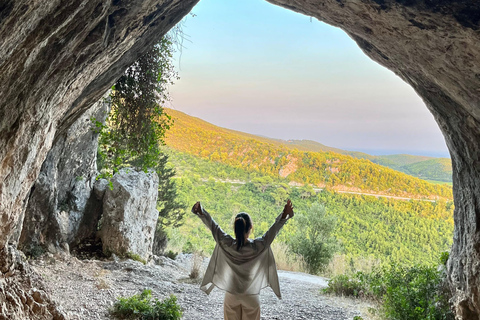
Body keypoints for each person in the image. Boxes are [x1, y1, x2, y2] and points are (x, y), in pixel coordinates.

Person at [191, 199, 294, 320]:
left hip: (231, 295)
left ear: (235, 228)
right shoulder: (258, 246)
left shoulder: (226, 243)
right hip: (251, 296)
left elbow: (214, 227)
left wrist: (201, 212)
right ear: (251, 227)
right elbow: (273, 231)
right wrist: (284, 215)